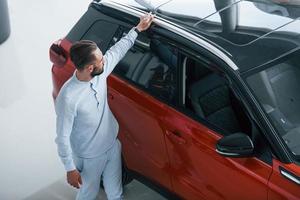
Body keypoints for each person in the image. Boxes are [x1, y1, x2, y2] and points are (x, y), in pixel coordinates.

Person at [54, 13, 154, 200]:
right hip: (90, 156)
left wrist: (137, 29)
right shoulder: (68, 98)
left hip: (112, 145)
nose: (104, 61)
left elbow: (117, 51)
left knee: (115, 192)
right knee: (87, 195)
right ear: (90, 68)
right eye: (100, 60)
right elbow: (62, 138)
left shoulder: (99, 71)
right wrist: (70, 169)